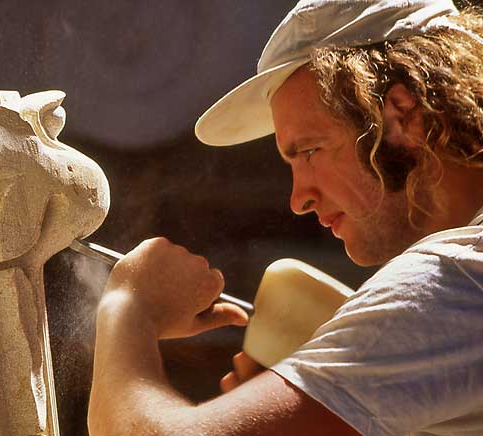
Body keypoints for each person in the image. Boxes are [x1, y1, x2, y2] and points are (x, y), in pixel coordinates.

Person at [87, 0, 483, 434]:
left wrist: (128, 308)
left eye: (309, 151)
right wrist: (320, 393)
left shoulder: (451, 280)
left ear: (400, 115)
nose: (298, 199)